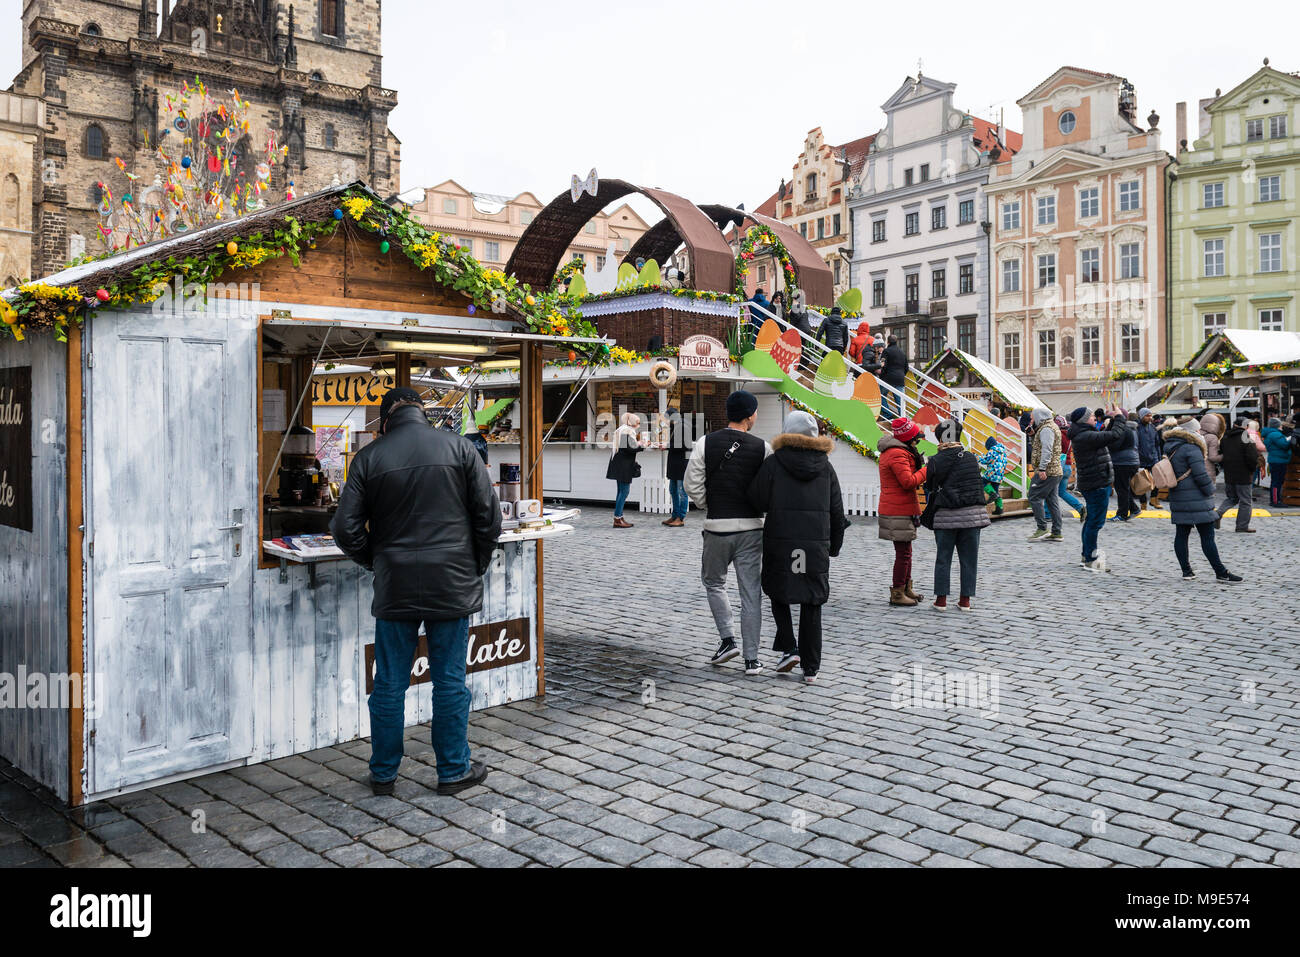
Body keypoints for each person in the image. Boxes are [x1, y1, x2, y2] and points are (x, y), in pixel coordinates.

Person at [332, 387, 502, 797]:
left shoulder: (369, 458)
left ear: (385, 419)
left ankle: (384, 774)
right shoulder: (460, 448)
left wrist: (376, 560)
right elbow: (489, 518)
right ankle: (453, 770)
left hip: (396, 584)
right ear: (421, 413)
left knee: (389, 682)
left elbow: (344, 529)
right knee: (449, 680)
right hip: (451, 581)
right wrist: (473, 566)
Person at [747, 411, 849, 685]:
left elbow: (756, 498)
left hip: (782, 540)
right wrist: (834, 546)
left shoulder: (774, 462)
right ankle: (811, 668)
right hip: (813, 544)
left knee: (778, 591)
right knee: (811, 600)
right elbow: (836, 510)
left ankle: (789, 646)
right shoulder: (826, 467)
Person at [684, 389, 772, 675]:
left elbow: (691, 483)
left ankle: (727, 639)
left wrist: (708, 503)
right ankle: (751, 659)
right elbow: (768, 488)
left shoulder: (704, 443)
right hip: (751, 529)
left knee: (713, 583)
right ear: (750, 416)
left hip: (717, 528)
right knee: (751, 594)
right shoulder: (763, 448)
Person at [1161, 419, 1243, 583]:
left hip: (1178, 495)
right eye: (1198, 430)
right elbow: (1200, 474)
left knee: (1181, 535)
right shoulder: (1192, 448)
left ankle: (1187, 571)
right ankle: (1221, 572)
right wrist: (1210, 490)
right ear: (1191, 431)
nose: (1200, 433)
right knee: (1207, 536)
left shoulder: (1170, 446)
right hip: (1197, 498)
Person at [924, 419, 990, 611]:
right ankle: (965, 600)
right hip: (972, 516)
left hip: (946, 515)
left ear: (939, 437)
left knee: (943, 557)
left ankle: (941, 600)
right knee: (969, 559)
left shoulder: (935, 460)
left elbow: (930, 487)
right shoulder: (970, 457)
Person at [1068, 406, 1128, 571]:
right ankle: (1091, 559)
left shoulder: (1083, 434)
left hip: (1093, 482)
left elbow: (1104, 437)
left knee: (1091, 521)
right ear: (1084, 420)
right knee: (1095, 522)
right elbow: (1114, 435)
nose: (1095, 417)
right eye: (1092, 415)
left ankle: (1086, 555)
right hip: (1097, 483)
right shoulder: (1085, 436)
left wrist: (1112, 422)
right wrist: (1120, 417)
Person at [878, 417, 928, 606]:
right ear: (908, 438)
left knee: (907, 551)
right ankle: (897, 593)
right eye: (916, 439)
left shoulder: (900, 451)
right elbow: (907, 481)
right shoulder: (897, 454)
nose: (917, 442)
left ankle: (906, 588)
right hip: (896, 508)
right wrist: (926, 470)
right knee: (903, 553)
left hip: (902, 507)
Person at [1025, 408, 1064, 542]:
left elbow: (1047, 449)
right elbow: (1041, 446)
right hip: (1054, 470)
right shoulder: (1048, 427)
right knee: (1052, 501)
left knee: (1033, 496)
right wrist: (1032, 435)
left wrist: (1042, 469)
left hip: (1047, 471)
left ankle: (1042, 529)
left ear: (1039, 417)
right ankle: (1057, 532)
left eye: (1033, 417)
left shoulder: (1047, 429)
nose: (1032, 420)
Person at [1217, 416, 1259, 533]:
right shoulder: (1246, 438)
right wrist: (1251, 470)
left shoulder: (1225, 437)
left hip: (1229, 474)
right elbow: (1252, 457)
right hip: (1243, 474)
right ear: (1245, 426)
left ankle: (1217, 515)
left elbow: (1221, 453)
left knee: (1231, 498)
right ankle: (1242, 526)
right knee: (1245, 501)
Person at [607, 412, 647, 528]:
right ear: (633, 423)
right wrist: (642, 446)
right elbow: (629, 448)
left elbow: (626, 446)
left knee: (621, 491)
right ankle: (618, 518)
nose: (638, 425)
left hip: (620, 464)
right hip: (623, 466)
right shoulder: (627, 431)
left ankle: (619, 516)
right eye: (637, 423)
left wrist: (638, 444)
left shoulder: (622, 429)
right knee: (624, 491)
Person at [1051, 414, 1086, 523]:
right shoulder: (1069, 435)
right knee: (1062, 492)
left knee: (1050, 491)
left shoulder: (1058, 435)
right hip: (1067, 466)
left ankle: (1048, 514)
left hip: (1058, 465)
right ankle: (1080, 507)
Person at [1109, 411, 1142, 522]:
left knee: (1121, 489)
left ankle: (1122, 514)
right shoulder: (1133, 429)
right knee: (1124, 488)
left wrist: (1107, 442)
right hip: (1132, 461)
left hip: (1122, 462)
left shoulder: (1123, 429)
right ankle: (1134, 509)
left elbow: (1115, 446)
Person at [663, 406, 690, 528]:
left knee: (681, 492)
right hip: (675, 464)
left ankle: (680, 517)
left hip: (680, 464)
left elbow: (684, 445)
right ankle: (675, 515)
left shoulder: (683, 426)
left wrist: (667, 446)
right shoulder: (677, 426)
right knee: (673, 490)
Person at [1262, 417, 1294, 507]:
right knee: (1277, 482)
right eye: (1280, 424)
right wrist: (1291, 438)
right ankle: (1276, 501)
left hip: (1276, 460)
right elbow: (1284, 445)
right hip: (1278, 461)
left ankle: (1275, 500)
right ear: (1277, 425)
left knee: (1276, 481)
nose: (1282, 426)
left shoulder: (1271, 434)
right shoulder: (1275, 434)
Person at [1136, 408, 1162, 509]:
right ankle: (1143, 503)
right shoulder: (1137, 428)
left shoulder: (1153, 428)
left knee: (1158, 479)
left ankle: (1153, 498)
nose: (1150, 418)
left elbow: (1157, 444)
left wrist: (1158, 457)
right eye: (1147, 416)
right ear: (1142, 416)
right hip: (1141, 460)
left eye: (1150, 415)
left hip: (1153, 458)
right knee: (1142, 483)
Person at [978, 435, 1007, 517]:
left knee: (982, 482)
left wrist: (977, 457)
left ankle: (992, 494)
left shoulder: (992, 450)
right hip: (1000, 474)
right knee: (996, 489)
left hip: (992, 473)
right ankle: (999, 508)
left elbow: (986, 460)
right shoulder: (1003, 452)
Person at [880, 336, 908, 419]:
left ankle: (888, 415)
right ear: (897, 342)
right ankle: (903, 419)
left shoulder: (886, 351)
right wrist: (902, 375)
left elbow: (883, 365)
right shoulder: (902, 352)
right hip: (900, 379)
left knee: (880, 395)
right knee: (900, 401)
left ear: (888, 342)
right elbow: (906, 368)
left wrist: (882, 376)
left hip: (888, 378)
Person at [1198, 412, 1225, 486]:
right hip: (1208, 471)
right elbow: (1213, 457)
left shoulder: (1197, 434)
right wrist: (1224, 455)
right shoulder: (1212, 437)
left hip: (1197, 469)